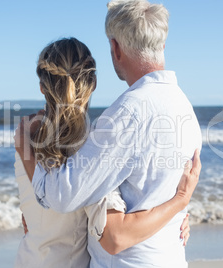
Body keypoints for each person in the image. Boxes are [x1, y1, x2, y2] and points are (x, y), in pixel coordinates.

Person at [14, 37, 201, 268]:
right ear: (92, 84)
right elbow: (115, 236)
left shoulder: (26, 138)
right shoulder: (93, 148)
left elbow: (32, 215)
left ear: (42, 86)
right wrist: (178, 204)